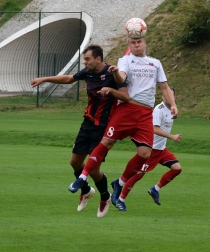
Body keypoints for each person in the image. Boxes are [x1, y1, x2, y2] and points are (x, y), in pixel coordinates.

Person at [68, 23, 179, 216]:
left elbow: (164, 88)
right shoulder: (125, 60)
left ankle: (118, 184)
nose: (137, 44)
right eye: (133, 42)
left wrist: (173, 104)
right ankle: (83, 177)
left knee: (145, 154)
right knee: (107, 141)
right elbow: (121, 78)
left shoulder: (156, 63)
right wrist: (114, 73)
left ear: (144, 42)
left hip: (145, 113)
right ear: (129, 43)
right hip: (128, 108)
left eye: (139, 41)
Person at [31, 44, 129, 218]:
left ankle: (105, 196)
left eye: (87, 59)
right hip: (87, 124)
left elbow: (125, 97)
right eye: (84, 59)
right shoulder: (88, 72)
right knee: (75, 162)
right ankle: (86, 190)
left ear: (98, 59)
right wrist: (44, 79)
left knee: (93, 169)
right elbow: (69, 79)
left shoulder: (113, 73)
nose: (85, 62)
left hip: (103, 127)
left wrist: (111, 90)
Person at [115, 87, 182, 211]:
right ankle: (120, 199)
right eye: (165, 94)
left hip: (161, 149)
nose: (167, 97)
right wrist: (172, 136)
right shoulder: (159, 110)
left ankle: (155, 189)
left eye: (170, 95)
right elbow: (154, 129)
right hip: (152, 149)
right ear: (162, 96)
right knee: (138, 174)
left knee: (177, 168)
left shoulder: (172, 108)